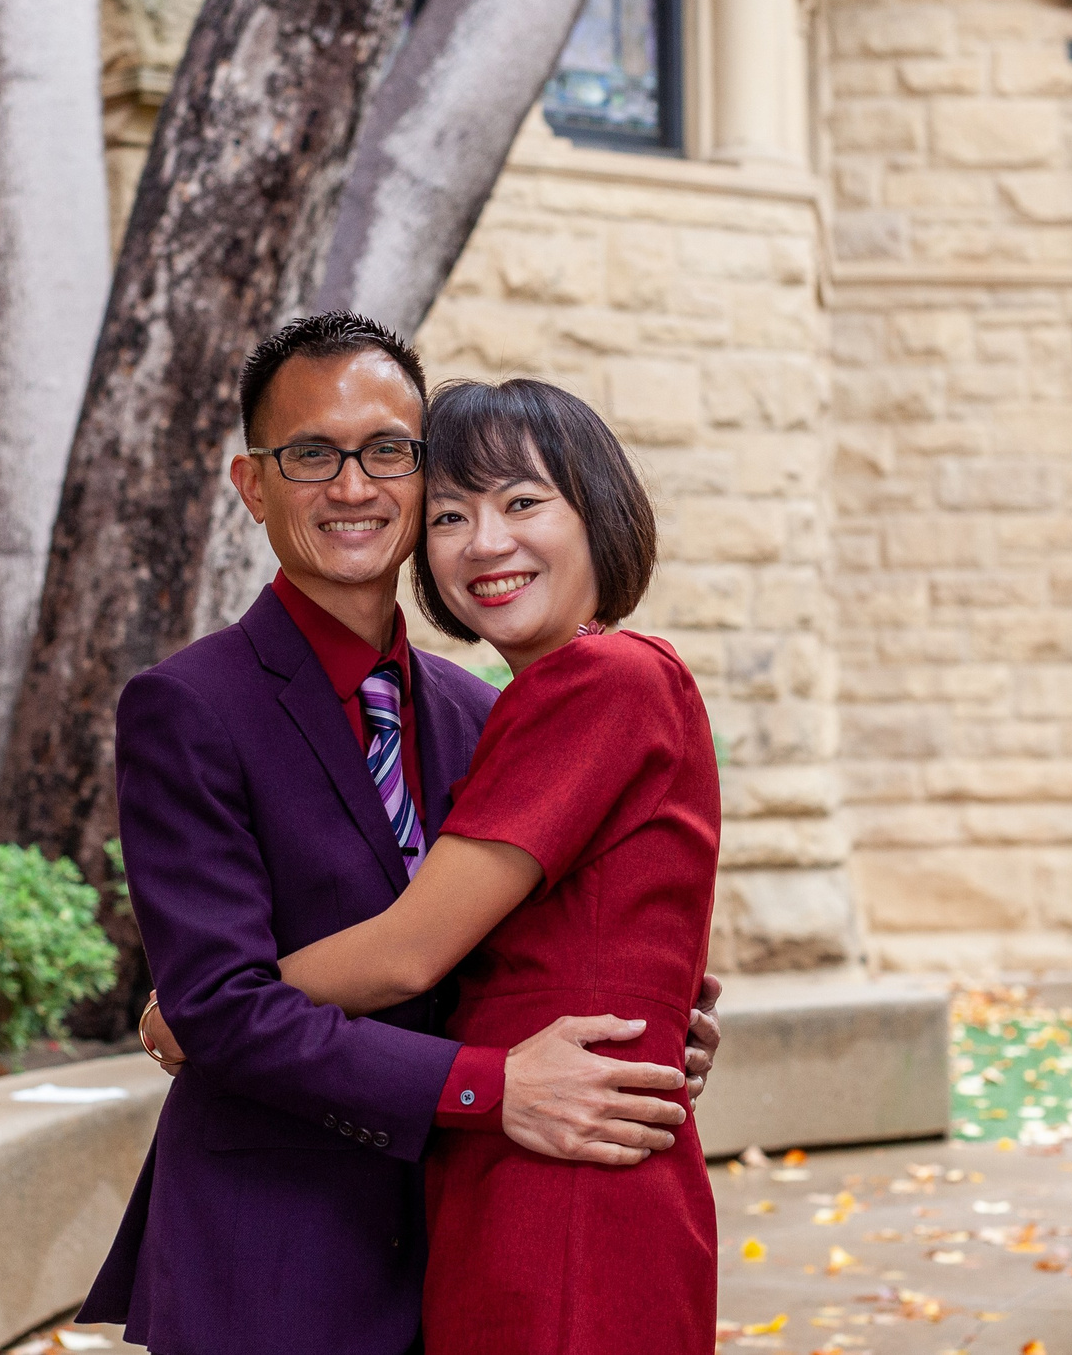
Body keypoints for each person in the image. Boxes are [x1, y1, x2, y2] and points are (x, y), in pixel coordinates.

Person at [82, 315, 721, 1355]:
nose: (353, 486)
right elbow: (237, 1000)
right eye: (310, 455)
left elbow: (501, 940)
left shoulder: (485, 706)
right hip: (274, 1253)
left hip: (470, 1229)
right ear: (254, 485)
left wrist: (653, 1006)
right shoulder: (186, 707)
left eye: (388, 451)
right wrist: (210, 1007)